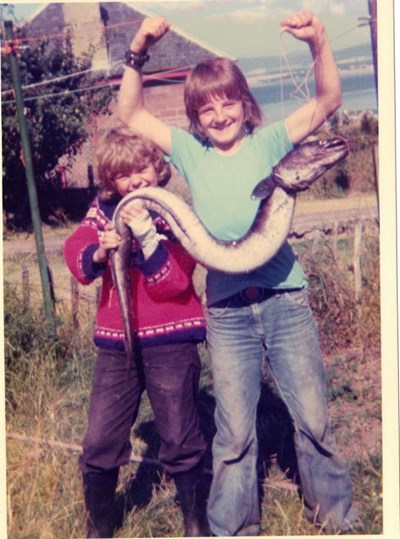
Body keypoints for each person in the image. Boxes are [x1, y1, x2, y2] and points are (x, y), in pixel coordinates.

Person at [117, 11, 362, 536]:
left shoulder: (273, 144)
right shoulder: (189, 152)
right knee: (233, 434)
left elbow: (328, 102)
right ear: (195, 117)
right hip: (227, 310)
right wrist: (139, 49)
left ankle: (339, 518)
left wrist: (318, 41)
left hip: (284, 299)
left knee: (314, 420)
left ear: (245, 104)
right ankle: (232, 528)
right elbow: (130, 113)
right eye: (207, 107)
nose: (220, 114)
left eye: (229, 101)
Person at [64, 127, 210, 538]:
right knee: (99, 441)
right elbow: (76, 253)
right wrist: (99, 249)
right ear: (112, 182)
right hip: (117, 345)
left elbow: (175, 283)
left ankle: (196, 524)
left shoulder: (173, 210)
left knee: (180, 437)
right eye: (125, 175)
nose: (136, 181)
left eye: (143, 168)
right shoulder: (103, 210)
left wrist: (147, 236)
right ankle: (99, 528)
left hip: (172, 340)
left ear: (158, 168)